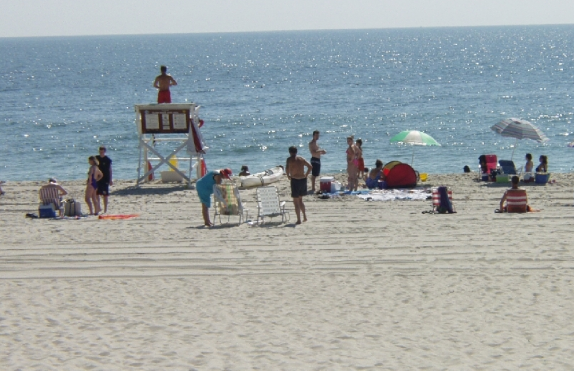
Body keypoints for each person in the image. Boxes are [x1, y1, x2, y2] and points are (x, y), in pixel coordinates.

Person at [286, 146, 312, 224]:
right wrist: (306, 174)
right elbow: (310, 167)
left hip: (295, 180)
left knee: (296, 201)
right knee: (300, 200)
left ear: (290, 152)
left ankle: (298, 220)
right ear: (296, 152)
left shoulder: (289, 159)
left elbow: (287, 168)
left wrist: (288, 176)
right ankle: (304, 216)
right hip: (302, 180)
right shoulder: (301, 159)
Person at [96, 146, 113, 213]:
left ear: (104, 152)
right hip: (98, 178)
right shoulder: (96, 158)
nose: (101, 153)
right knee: (97, 193)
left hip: (105, 178)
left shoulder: (107, 160)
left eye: (102, 151)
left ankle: (105, 209)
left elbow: (110, 170)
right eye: (100, 151)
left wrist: (110, 179)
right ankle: (99, 207)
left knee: (105, 195)